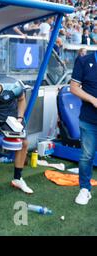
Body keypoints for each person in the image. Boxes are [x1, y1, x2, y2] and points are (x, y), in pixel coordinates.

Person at [0, 76, 33, 195]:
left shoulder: (14, 88)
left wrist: (19, 118)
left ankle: (17, 178)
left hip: (12, 112)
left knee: (24, 143)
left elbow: (21, 99)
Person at [70, 50, 97, 205]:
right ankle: (85, 189)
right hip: (89, 120)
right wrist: (93, 100)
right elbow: (73, 87)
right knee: (86, 157)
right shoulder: (84, 60)